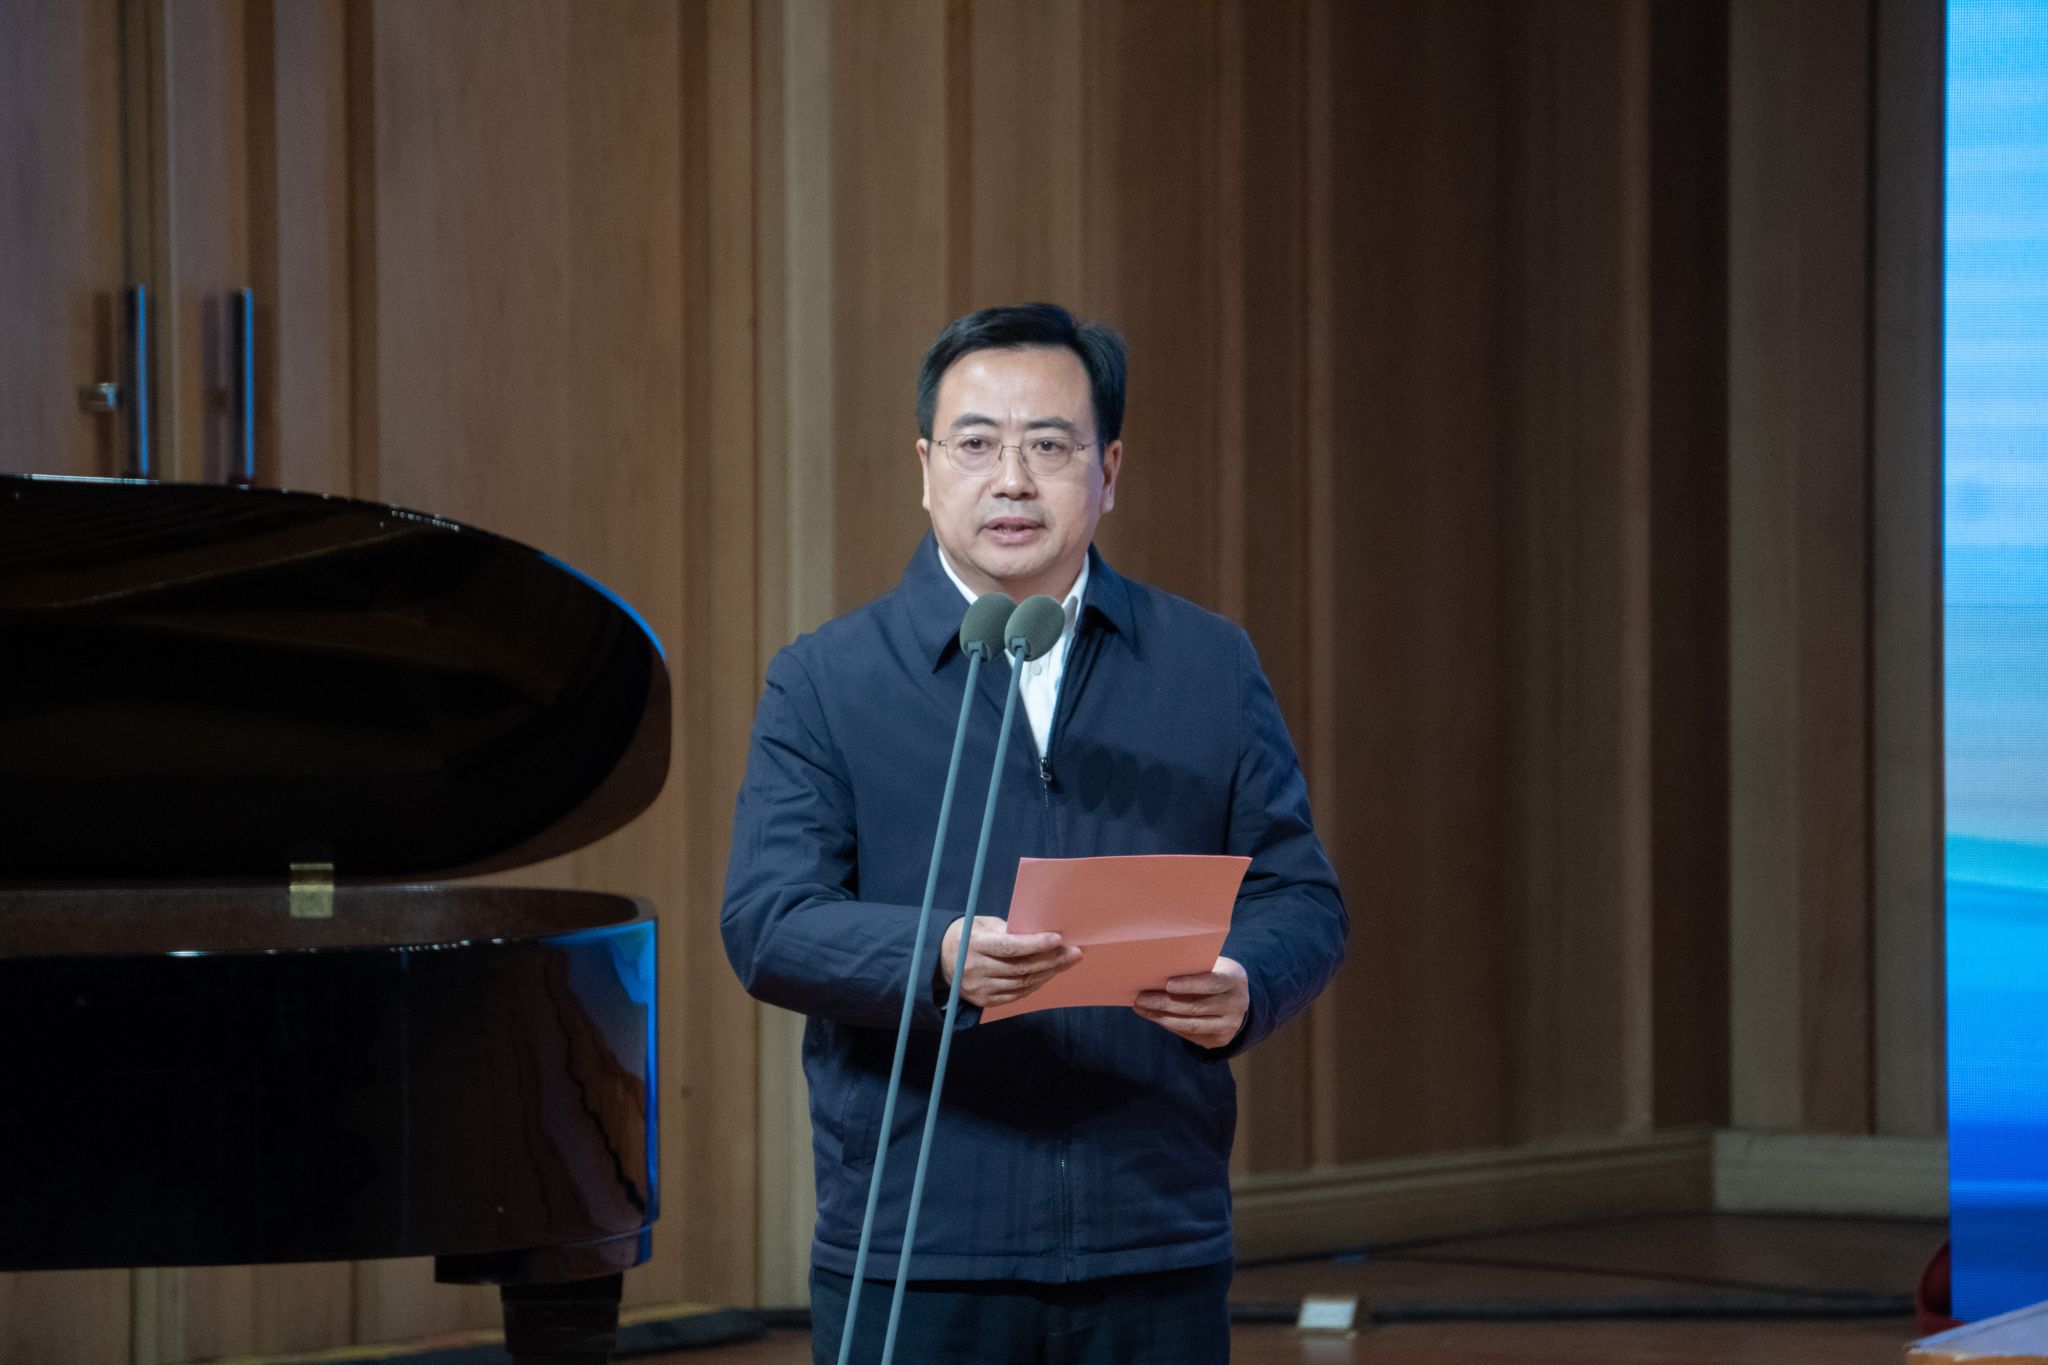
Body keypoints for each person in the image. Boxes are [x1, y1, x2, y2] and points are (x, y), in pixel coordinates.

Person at [721, 302, 1347, 1364]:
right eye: (975, 444)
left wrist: (1248, 982)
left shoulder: (1206, 665)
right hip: (918, 1243)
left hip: (1152, 1229)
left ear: (1108, 470)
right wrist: (939, 955)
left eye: (1049, 446)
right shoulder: (827, 681)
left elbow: (1302, 896)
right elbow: (768, 921)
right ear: (926, 469)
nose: (1011, 479)